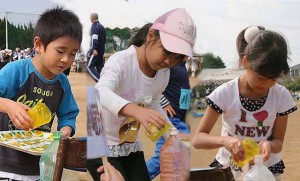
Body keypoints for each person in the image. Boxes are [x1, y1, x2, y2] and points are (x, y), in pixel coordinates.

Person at [87, 8, 196, 181]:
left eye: (177, 58)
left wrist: (172, 135)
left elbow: (152, 103)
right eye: (166, 52)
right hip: (100, 142)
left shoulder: (163, 74)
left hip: (129, 144)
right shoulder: (121, 61)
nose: (169, 61)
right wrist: (137, 111)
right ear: (151, 36)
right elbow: (100, 92)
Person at [192, 25, 297, 181]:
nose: (267, 84)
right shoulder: (225, 93)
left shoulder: (281, 95)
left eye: (273, 79)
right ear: (245, 62)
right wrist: (225, 140)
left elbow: (278, 142)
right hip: (230, 168)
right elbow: (198, 139)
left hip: (265, 170)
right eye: (261, 77)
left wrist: (269, 145)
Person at [0, 7, 82, 180]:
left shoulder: (62, 82)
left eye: (73, 54)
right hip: (5, 164)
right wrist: (8, 105)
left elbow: (68, 114)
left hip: (39, 165)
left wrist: (65, 130)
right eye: (60, 51)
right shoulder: (17, 71)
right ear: (38, 44)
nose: (66, 59)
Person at [146, 62, 191, 179]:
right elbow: (149, 84)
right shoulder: (168, 65)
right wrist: (163, 101)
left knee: (178, 159)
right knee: (164, 159)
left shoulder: (181, 64)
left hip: (179, 120)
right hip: (168, 119)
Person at [87, 12, 106, 81]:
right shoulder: (101, 27)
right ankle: (105, 83)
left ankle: (100, 82)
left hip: (96, 51)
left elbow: (94, 38)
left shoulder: (94, 26)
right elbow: (104, 40)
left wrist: (94, 49)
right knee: (100, 68)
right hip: (101, 50)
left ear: (91, 18)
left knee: (89, 67)